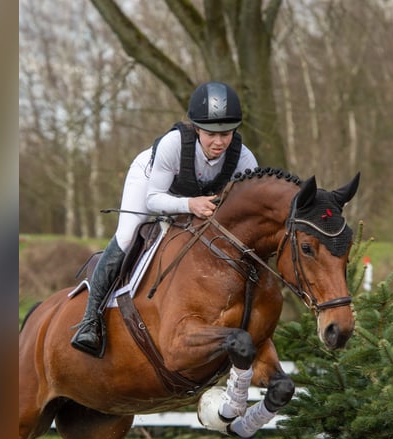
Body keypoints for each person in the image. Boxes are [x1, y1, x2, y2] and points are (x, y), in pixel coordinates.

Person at [71, 81, 259, 356]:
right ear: (197, 128)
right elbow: (153, 199)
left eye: (226, 134)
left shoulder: (243, 158)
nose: (219, 142)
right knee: (127, 235)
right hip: (152, 184)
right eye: (210, 134)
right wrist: (189, 204)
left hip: (195, 197)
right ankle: (90, 319)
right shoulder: (173, 145)